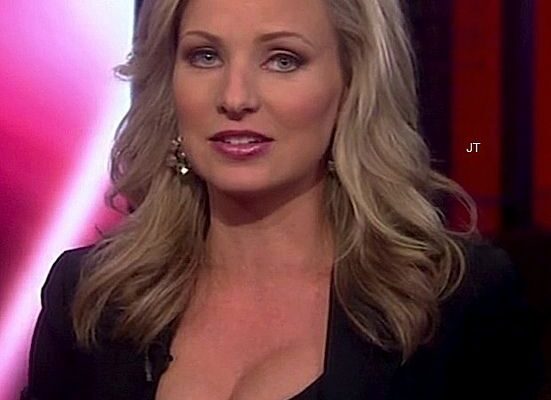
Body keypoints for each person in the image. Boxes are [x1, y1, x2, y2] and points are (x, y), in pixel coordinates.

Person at [21, 0, 543, 399]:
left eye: (283, 60)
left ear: (351, 87)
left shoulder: (454, 303)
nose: (235, 97)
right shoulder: (89, 298)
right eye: (205, 56)